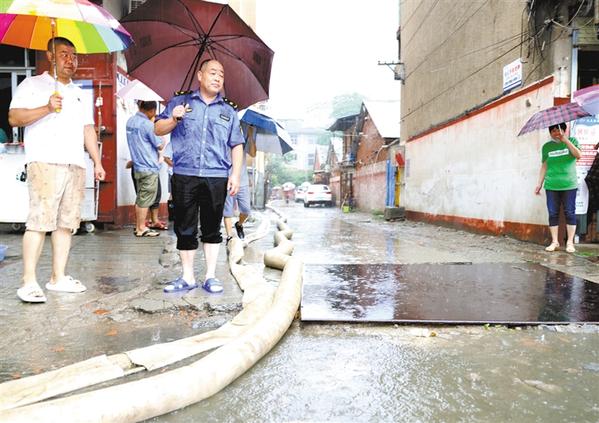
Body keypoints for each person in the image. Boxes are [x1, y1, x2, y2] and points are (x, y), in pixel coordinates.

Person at [8, 37, 106, 303]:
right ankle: (28, 282)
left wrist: (96, 162)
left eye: (74, 55)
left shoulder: (78, 92)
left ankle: (57, 277)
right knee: (39, 222)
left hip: (75, 163)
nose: (70, 60)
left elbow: (88, 129)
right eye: (64, 54)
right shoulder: (33, 84)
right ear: (50, 56)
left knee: (67, 223)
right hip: (45, 162)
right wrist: (47, 107)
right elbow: (14, 118)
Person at [155, 59, 244, 294]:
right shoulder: (179, 102)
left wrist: (235, 174)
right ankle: (187, 277)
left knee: (212, 227)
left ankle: (211, 276)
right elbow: (158, 129)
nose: (217, 78)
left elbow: (236, 144)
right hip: (185, 174)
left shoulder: (229, 110)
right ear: (200, 75)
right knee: (185, 227)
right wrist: (174, 119)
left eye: (221, 75)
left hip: (216, 176)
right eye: (213, 72)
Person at [535, 122, 581, 253]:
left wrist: (565, 140)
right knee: (553, 213)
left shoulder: (572, 141)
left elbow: (578, 155)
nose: (556, 133)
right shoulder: (547, 147)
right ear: (550, 133)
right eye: (553, 131)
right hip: (551, 185)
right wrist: (539, 183)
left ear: (564, 130)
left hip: (569, 184)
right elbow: (544, 166)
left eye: (558, 130)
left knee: (570, 212)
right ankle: (555, 241)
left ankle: (570, 242)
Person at [126, 100, 165, 237]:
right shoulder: (148, 125)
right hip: (148, 166)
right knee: (145, 198)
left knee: (141, 197)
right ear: (152, 110)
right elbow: (160, 145)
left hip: (137, 165)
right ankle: (141, 228)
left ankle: (139, 226)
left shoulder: (130, 121)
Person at [223, 136, 256, 242]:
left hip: (243, 181)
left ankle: (239, 224)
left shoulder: (241, 141)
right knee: (227, 211)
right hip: (227, 181)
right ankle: (229, 236)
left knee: (246, 210)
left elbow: (253, 154)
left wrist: (250, 135)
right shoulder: (223, 141)